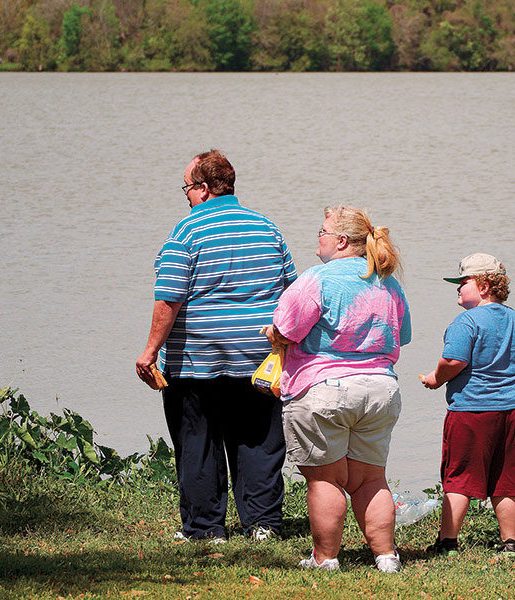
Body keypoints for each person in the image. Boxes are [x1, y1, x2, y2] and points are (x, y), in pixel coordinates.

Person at [135, 150, 296, 541]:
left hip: (196, 361)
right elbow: (291, 293)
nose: (186, 197)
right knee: (258, 440)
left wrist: (150, 351)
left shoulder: (186, 231)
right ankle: (262, 525)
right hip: (257, 359)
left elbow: (169, 297)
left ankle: (206, 529)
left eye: (187, 188)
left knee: (198, 441)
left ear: (204, 189)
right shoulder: (267, 228)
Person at [263, 206, 411, 573]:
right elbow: (402, 336)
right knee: (371, 478)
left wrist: (274, 336)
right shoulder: (388, 283)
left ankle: (325, 558)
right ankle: (386, 557)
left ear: (341, 241)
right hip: (380, 389)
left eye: (322, 231)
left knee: (324, 479)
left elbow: (285, 328)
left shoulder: (318, 279)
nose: (318, 237)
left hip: (324, 389)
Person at [420, 253, 515, 556]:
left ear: (485, 286)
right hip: (513, 410)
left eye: (464, 282)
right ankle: (510, 543)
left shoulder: (466, 322)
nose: (458, 288)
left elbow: (454, 360)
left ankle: (448, 542)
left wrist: (436, 378)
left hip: (471, 411)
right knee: (507, 479)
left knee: (458, 477)